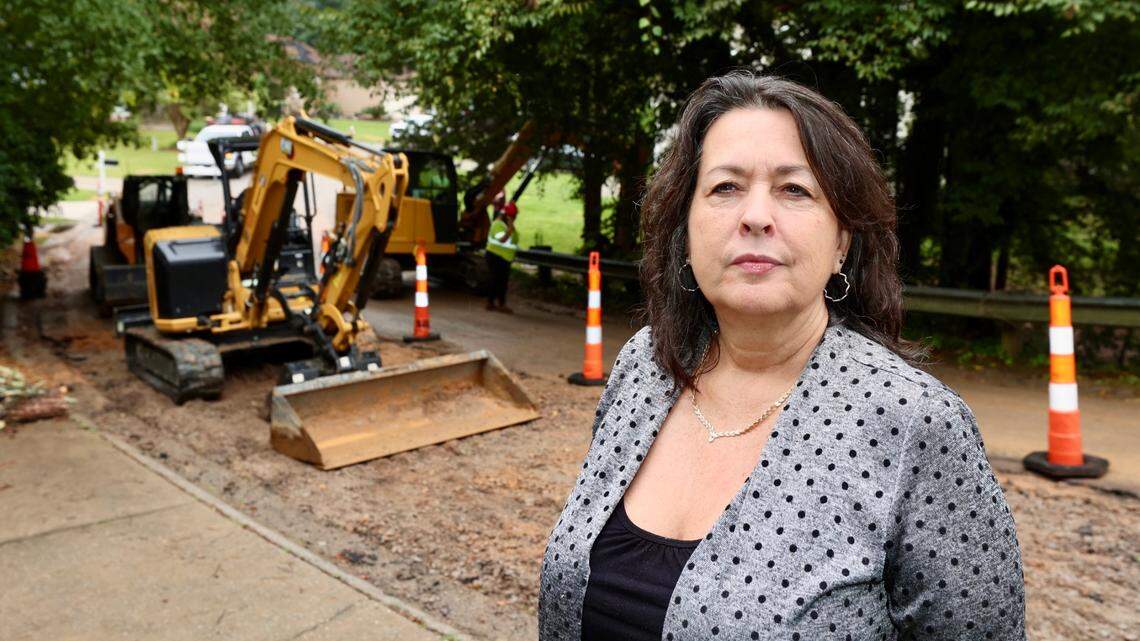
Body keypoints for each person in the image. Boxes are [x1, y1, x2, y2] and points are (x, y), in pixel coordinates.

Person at [539, 71, 1025, 641]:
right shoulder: (644, 366)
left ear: (842, 240)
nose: (756, 216)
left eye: (795, 190)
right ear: (686, 232)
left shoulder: (914, 423)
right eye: (725, 187)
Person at [485, 199, 519, 313]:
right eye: (512, 217)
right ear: (507, 216)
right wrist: (510, 226)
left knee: (501, 281)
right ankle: (497, 303)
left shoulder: (505, 225)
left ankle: (494, 303)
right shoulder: (498, 225)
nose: (514, 219)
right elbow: (503, 239)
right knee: (497, 280)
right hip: (496, 256)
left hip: (504, 258)